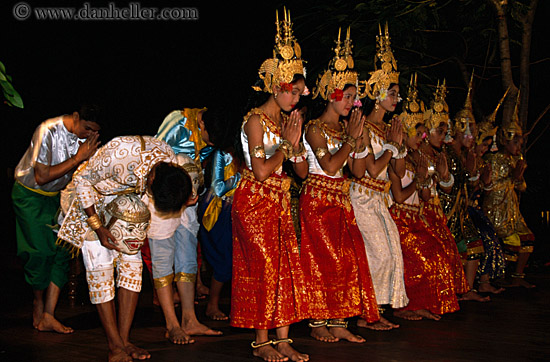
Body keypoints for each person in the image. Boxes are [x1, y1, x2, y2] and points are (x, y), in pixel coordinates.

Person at [57, 135, 193, 362]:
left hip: (125, 210)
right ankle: (114, 346)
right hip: (89, 202)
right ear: (151, 181)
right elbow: (82, 180)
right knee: (100, 270)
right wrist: (98, 227)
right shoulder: (122, 154)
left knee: (132, 268)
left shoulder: (168, 158)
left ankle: (124, 340)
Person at [231, 8, 310, 362]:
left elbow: (303, 173)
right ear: (276, 87)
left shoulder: (288, 122)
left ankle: (283, 338)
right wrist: (288, 147)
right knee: (263, 268)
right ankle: (262, 342)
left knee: (286, 267)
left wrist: (296, 149)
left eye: (301, 90)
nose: (299, 95)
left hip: (280, 201)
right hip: (254, 201)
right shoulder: (255, 122)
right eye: (293, 90)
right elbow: (261, 171)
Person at [300, 27, 379, 343]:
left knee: (346, 261)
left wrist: (359, 141)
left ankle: (339, 320)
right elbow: (331, 165)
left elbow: (358, 171)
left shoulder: (348, 128)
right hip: (318, 199)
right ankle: (319, 322)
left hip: (341, 200)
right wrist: (350, 139)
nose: (352, 102)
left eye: (354, 97)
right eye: (347, 96)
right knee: (323, 260)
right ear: (332, 96)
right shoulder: (314, 129)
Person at [12, 104, 101, 334]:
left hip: (59, 196)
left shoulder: (88, 138)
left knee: (63, 250)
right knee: (39, 252)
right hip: (30, 195)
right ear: (76, 117)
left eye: (95, 131)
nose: (90, 134)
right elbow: (41, 177)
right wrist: (78, 158)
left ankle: (49, 315)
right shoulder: (48, 130)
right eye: (87, 128)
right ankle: (38, 302)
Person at [389, 74, 462, 320]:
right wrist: (421, 178)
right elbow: (399, 197)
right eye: (418, 132)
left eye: (423, 133)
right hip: (398, 219)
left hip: (416, 218)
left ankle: (419, 303)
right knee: (426, 256)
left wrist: (436, 176)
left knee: (439, 253)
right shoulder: (397, 156)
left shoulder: (419, 157)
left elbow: (426, 195)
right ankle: (403, 306)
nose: (422, 137)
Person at [350, 23, 408, 331]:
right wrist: (392, 147)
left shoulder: (388, 130)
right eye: (392, 92)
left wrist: (397, 149)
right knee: (378, 255)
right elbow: (371, 168)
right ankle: (365, 313)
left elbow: (397, 171)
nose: (396, 98)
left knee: (391, 251)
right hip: (362, 196)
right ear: (377, 93)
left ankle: (375, 310)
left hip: (380, 197)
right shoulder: (364, 126)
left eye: (398, 93)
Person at [150, 108, 222, 344]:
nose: (208, 142)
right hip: (166, 194)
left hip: (189, 197)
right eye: (208, 137)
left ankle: (189, 319)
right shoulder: (178, 121)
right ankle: (172, 324)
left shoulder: (213, 129)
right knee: (163, 256)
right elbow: (157, 161)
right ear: (203, 124)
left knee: (187, 257)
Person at [437, 73, 489, 302]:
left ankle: (466, 290)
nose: (472, 137)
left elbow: (471, 184)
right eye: (468, 131)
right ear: (457, 129)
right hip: (446, 207)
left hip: (461, 208)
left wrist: (475, 170)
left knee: (475, 246)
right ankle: (449, 291)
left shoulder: (466, 154)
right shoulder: (446, 151)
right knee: (454, 248)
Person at [419, 80, 470, 301]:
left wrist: (444, 175)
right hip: (418, 210)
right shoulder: (416, 154)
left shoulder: (439, 154)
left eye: (445, 132)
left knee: (450, 248)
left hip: (436, 210)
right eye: (440, 131)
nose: (444, 137)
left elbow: (445, 187)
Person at [482, 93, 535, 288]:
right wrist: (512, 178)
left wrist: (518, 179)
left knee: (527, 238)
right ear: (505, 141)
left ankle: (518, 277)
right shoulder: (493, 160)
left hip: (511, 208)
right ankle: (499, 277)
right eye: (515, 142)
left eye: (520, 143)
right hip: (497, 208)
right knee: (510, 242)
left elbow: (522, 187)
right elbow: (490, 185)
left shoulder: (515, 161)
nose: (518, 146)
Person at [197, 108, 242, 321]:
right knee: (224, 259)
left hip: (234, 211)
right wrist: (242, 177)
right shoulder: (222, 155)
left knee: (234, 259)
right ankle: (212, 305)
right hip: (217, 211)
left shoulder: (239, 153)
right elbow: (217, 187)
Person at [468, 91, 508, 293]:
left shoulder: (483, 162)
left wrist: (486, 182)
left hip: (476, 210)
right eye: (484, 143)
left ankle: (483, 282)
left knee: (491, 237)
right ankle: (472, 286)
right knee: (483, 237)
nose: (486, 148)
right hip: (464, 209)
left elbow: (484, 191)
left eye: (488, 145)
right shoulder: (467, 159)